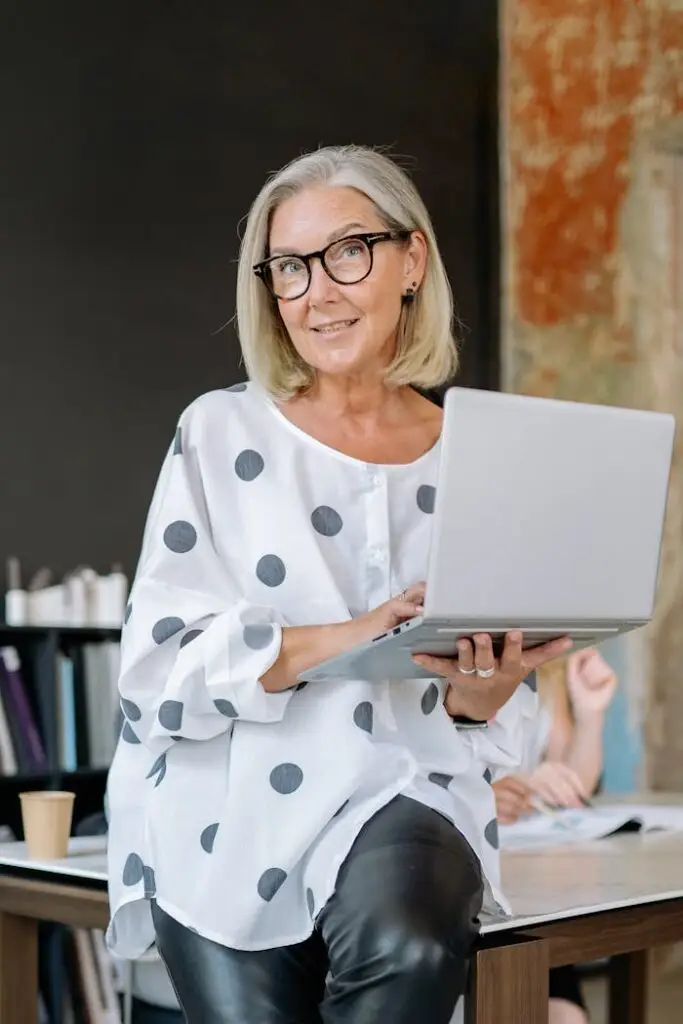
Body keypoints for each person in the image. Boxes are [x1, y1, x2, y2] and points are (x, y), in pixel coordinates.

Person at [104, 144, 571, 1024]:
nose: (317, 291)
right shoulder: (218, 431)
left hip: (405, 788)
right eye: (289, 267)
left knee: (409, 944)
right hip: (225, 805)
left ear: (411, 261)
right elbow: (156, 676)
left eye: (347, 252)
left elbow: (484, 718)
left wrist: (481, 696)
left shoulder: (479, 454)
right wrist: (351, 636)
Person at [492, 647, 618, 1024]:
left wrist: (590, 714)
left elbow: (573, 787)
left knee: (565, 1016)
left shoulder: (549, 667)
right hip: (467, 874)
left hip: (529, 877)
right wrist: (485, 795)